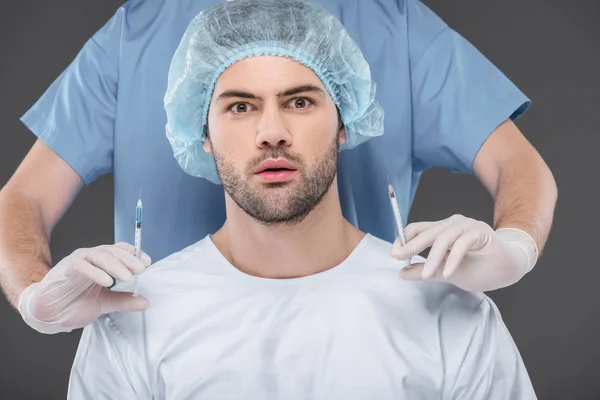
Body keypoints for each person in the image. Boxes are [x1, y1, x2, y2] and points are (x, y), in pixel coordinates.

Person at [0, 0, 557, 335]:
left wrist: (514, 248)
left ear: (341, 120)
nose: (271, 130)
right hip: (163, 343)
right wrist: (35, 297)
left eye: (301, 102)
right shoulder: (137, 32)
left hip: (368, 338)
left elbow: (517, 161)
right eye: (239, 107)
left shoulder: (392, 23)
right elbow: (22, 198)